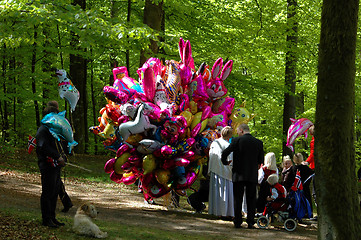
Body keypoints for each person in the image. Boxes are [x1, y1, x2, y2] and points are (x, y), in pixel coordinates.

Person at [221, 123, 264, 229]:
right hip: (251, 174)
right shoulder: (258, 143)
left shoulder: (236, 141)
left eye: (237, 131)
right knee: (251, 199)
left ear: (241, 130)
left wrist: (225, 162)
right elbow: (261, 160)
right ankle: (250, 221)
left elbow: (225, 153)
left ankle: (238, 221)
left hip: (238, 174)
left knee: (238, 198)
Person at [36, 101, 67, 228]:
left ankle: (52, 217)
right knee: (47, 192)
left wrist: (64, 155)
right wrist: (57, 156)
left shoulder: (54, 130)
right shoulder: (43, 130)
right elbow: (43, 146)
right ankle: (46, 219)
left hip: (56, 166)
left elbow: (60, 145)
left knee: (54, 192)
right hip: (47, 165)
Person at [46, 101, 73, 213]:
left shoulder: (56, 122)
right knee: (57, 181)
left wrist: (63, 154)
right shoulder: (59, 121)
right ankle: (66, 202)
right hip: (59, 154)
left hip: (57, 156)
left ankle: (65, 203)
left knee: (56, 182)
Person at [208, 126, 234, 220]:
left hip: (216, 170)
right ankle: (226, 212)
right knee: (226, 192)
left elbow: (211, 156)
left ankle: (216, 211)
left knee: (217, 192)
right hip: (226, 171)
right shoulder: (228, 145)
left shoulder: (214, 143)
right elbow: (231, 159)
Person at [285, 153, 314, 217]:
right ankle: (307, 213)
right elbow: (312, 174)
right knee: (306, 201)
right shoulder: (306, 169)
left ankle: (296, 212)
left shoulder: (292, 169)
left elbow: (288, 180)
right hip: (304, 189)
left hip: (295, 190)